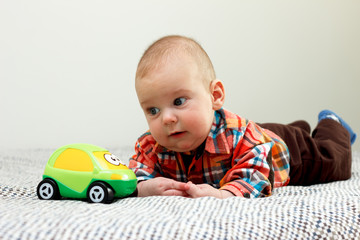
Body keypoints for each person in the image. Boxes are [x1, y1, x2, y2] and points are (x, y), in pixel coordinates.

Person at [128, 35, 357, 199]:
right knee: (271, 132)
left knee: (334, 161)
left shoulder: (239, 135)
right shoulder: (151, 145)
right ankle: (299, 127)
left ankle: (331, 122)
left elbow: (256, 174)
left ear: (215, 96)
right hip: (258, 136)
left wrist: (224, 193)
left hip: (287, 153)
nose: (166, 118)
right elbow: (133, 173)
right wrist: (143, 187)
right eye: (153, 111)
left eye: (179, 102)